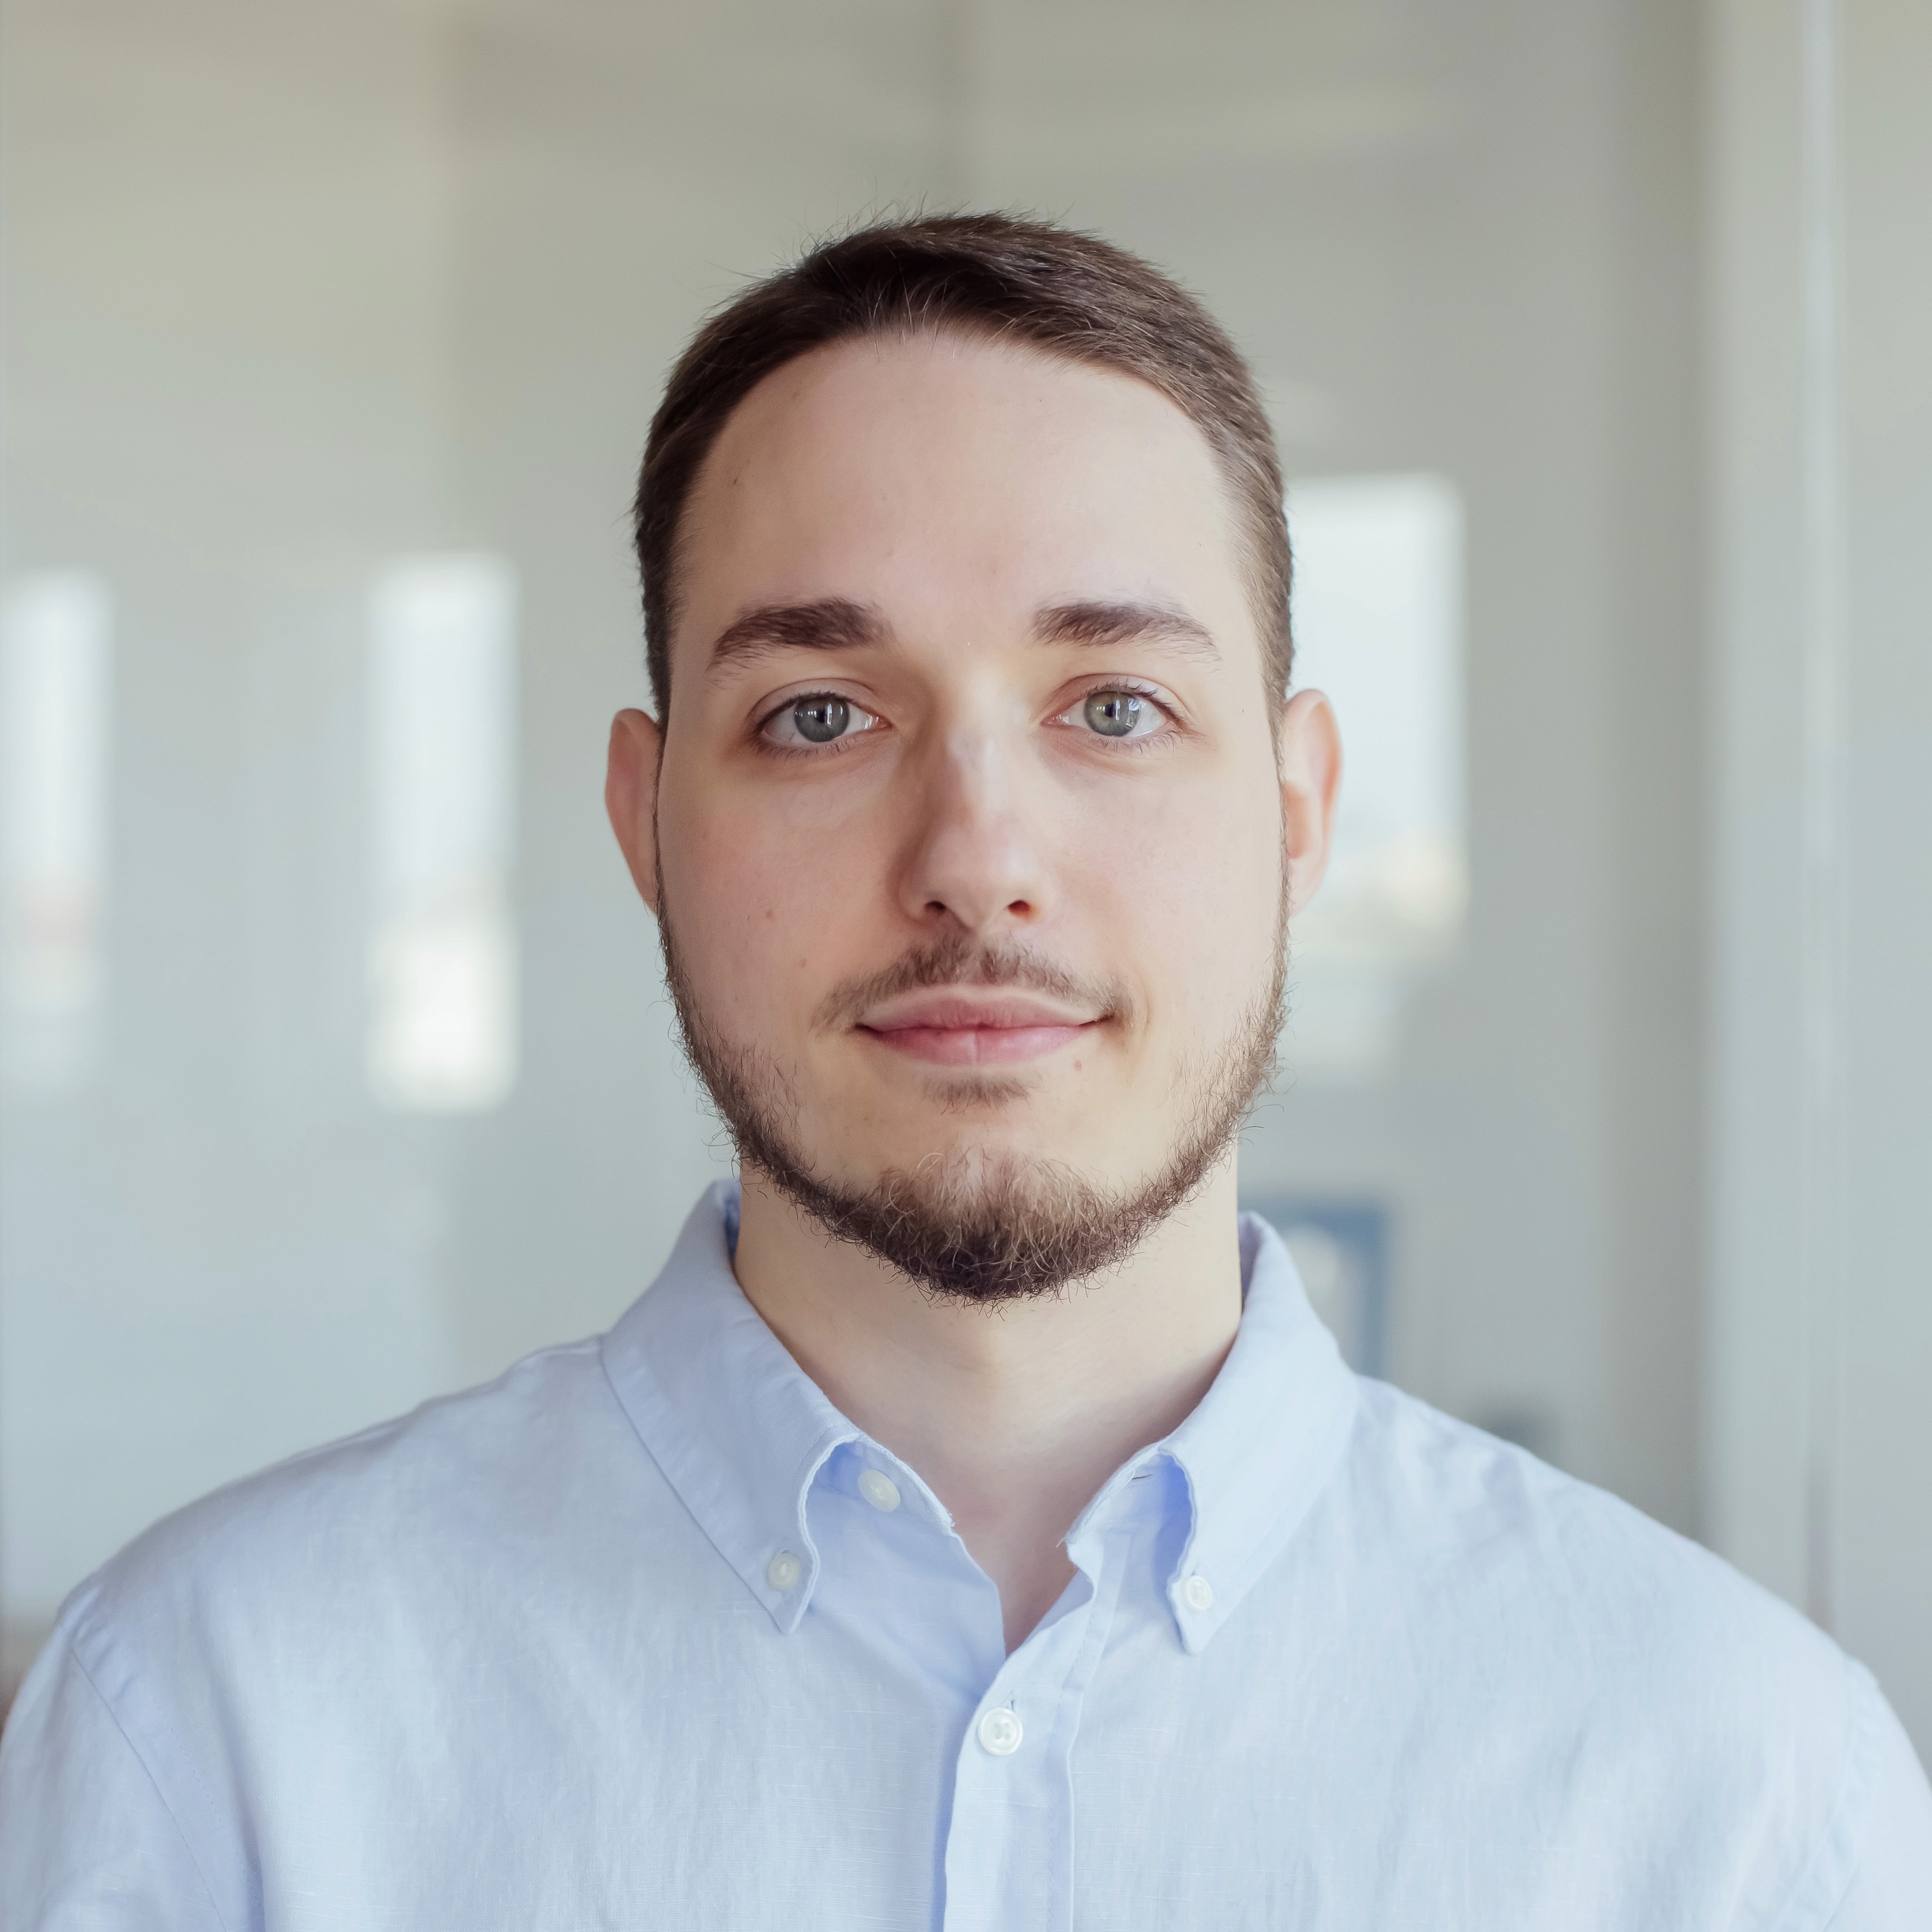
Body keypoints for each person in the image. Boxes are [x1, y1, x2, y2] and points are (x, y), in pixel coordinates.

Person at [2, 213, 1927, 1929]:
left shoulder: (1738, 1790)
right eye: (820, 713)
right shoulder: (216, 1722)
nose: (974, 852)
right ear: (643, 822)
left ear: (1296, 808)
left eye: (1112, 705)